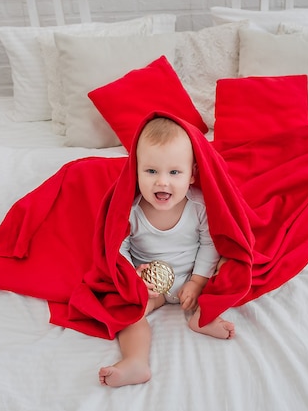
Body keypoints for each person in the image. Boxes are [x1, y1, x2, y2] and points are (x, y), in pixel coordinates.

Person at [98, 117, 234, 387]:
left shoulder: (199, 207)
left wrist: (197, 283)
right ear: (135, 172)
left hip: (194, 277)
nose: (162, 182)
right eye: (151, 171)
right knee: (128, 313)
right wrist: (134, 278)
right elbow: (118, 248)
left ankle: (203, 317)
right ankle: (135, 361)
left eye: (174, 172)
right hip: (151, 288)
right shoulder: (131, 211)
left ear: (192, 174)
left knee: (230, 266)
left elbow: (210, 244)